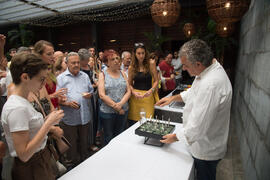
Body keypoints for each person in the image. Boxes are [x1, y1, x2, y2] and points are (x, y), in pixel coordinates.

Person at [156, 39, 232, 180]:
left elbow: (198, 126)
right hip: (203, 141)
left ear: (198, 64)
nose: (183, 69)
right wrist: (172, 98)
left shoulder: (211, 85)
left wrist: (173, 137)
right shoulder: (208, 68)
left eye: (185, 65)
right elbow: (193, 92)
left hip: (206, 148)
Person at [1, 52, 64, 180]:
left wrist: (47, 122)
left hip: (40, 160)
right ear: (25, 77)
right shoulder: (17, 108)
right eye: (41, 79)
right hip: (32, 166)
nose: (44, 83)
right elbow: (24, 154)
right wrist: (47, 124)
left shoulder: (23, 101)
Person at [57, 52, 93, 168]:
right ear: (67, 63)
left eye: (78, 62)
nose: (76, 64)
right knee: (71, 145)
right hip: (69, 118)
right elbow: (55, 99)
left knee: (84, 143)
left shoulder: (85, 76)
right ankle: (72, 167)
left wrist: (89, 95)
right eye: (73, 63)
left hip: (84, 116)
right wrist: (67, 103)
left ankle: (85, 164)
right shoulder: (61, 78)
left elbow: (91, 91)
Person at [98, 49, 131, 145]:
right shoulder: (102, 74)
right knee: (108, 136)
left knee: (120, 135)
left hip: (123, 110)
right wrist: (116, 106)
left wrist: (120, 105)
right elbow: (101, 95)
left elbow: (128, 91)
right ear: (107, 62)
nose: (116, 61)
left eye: (117, 58)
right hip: (108, 112)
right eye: (112, 59)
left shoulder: (123, 73)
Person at [128, 43, 158, 126]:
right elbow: (129, 84)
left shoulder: (151, 63)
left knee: (148, 123)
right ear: (134, 54)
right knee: (134, 125)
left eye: (143, 53)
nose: (141, 56)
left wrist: (151, 90)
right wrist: (133, 92)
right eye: (138, 53)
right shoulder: (131, 67)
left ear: (146, 53)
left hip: (148, 97)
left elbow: (156, 80)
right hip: (135, 99)